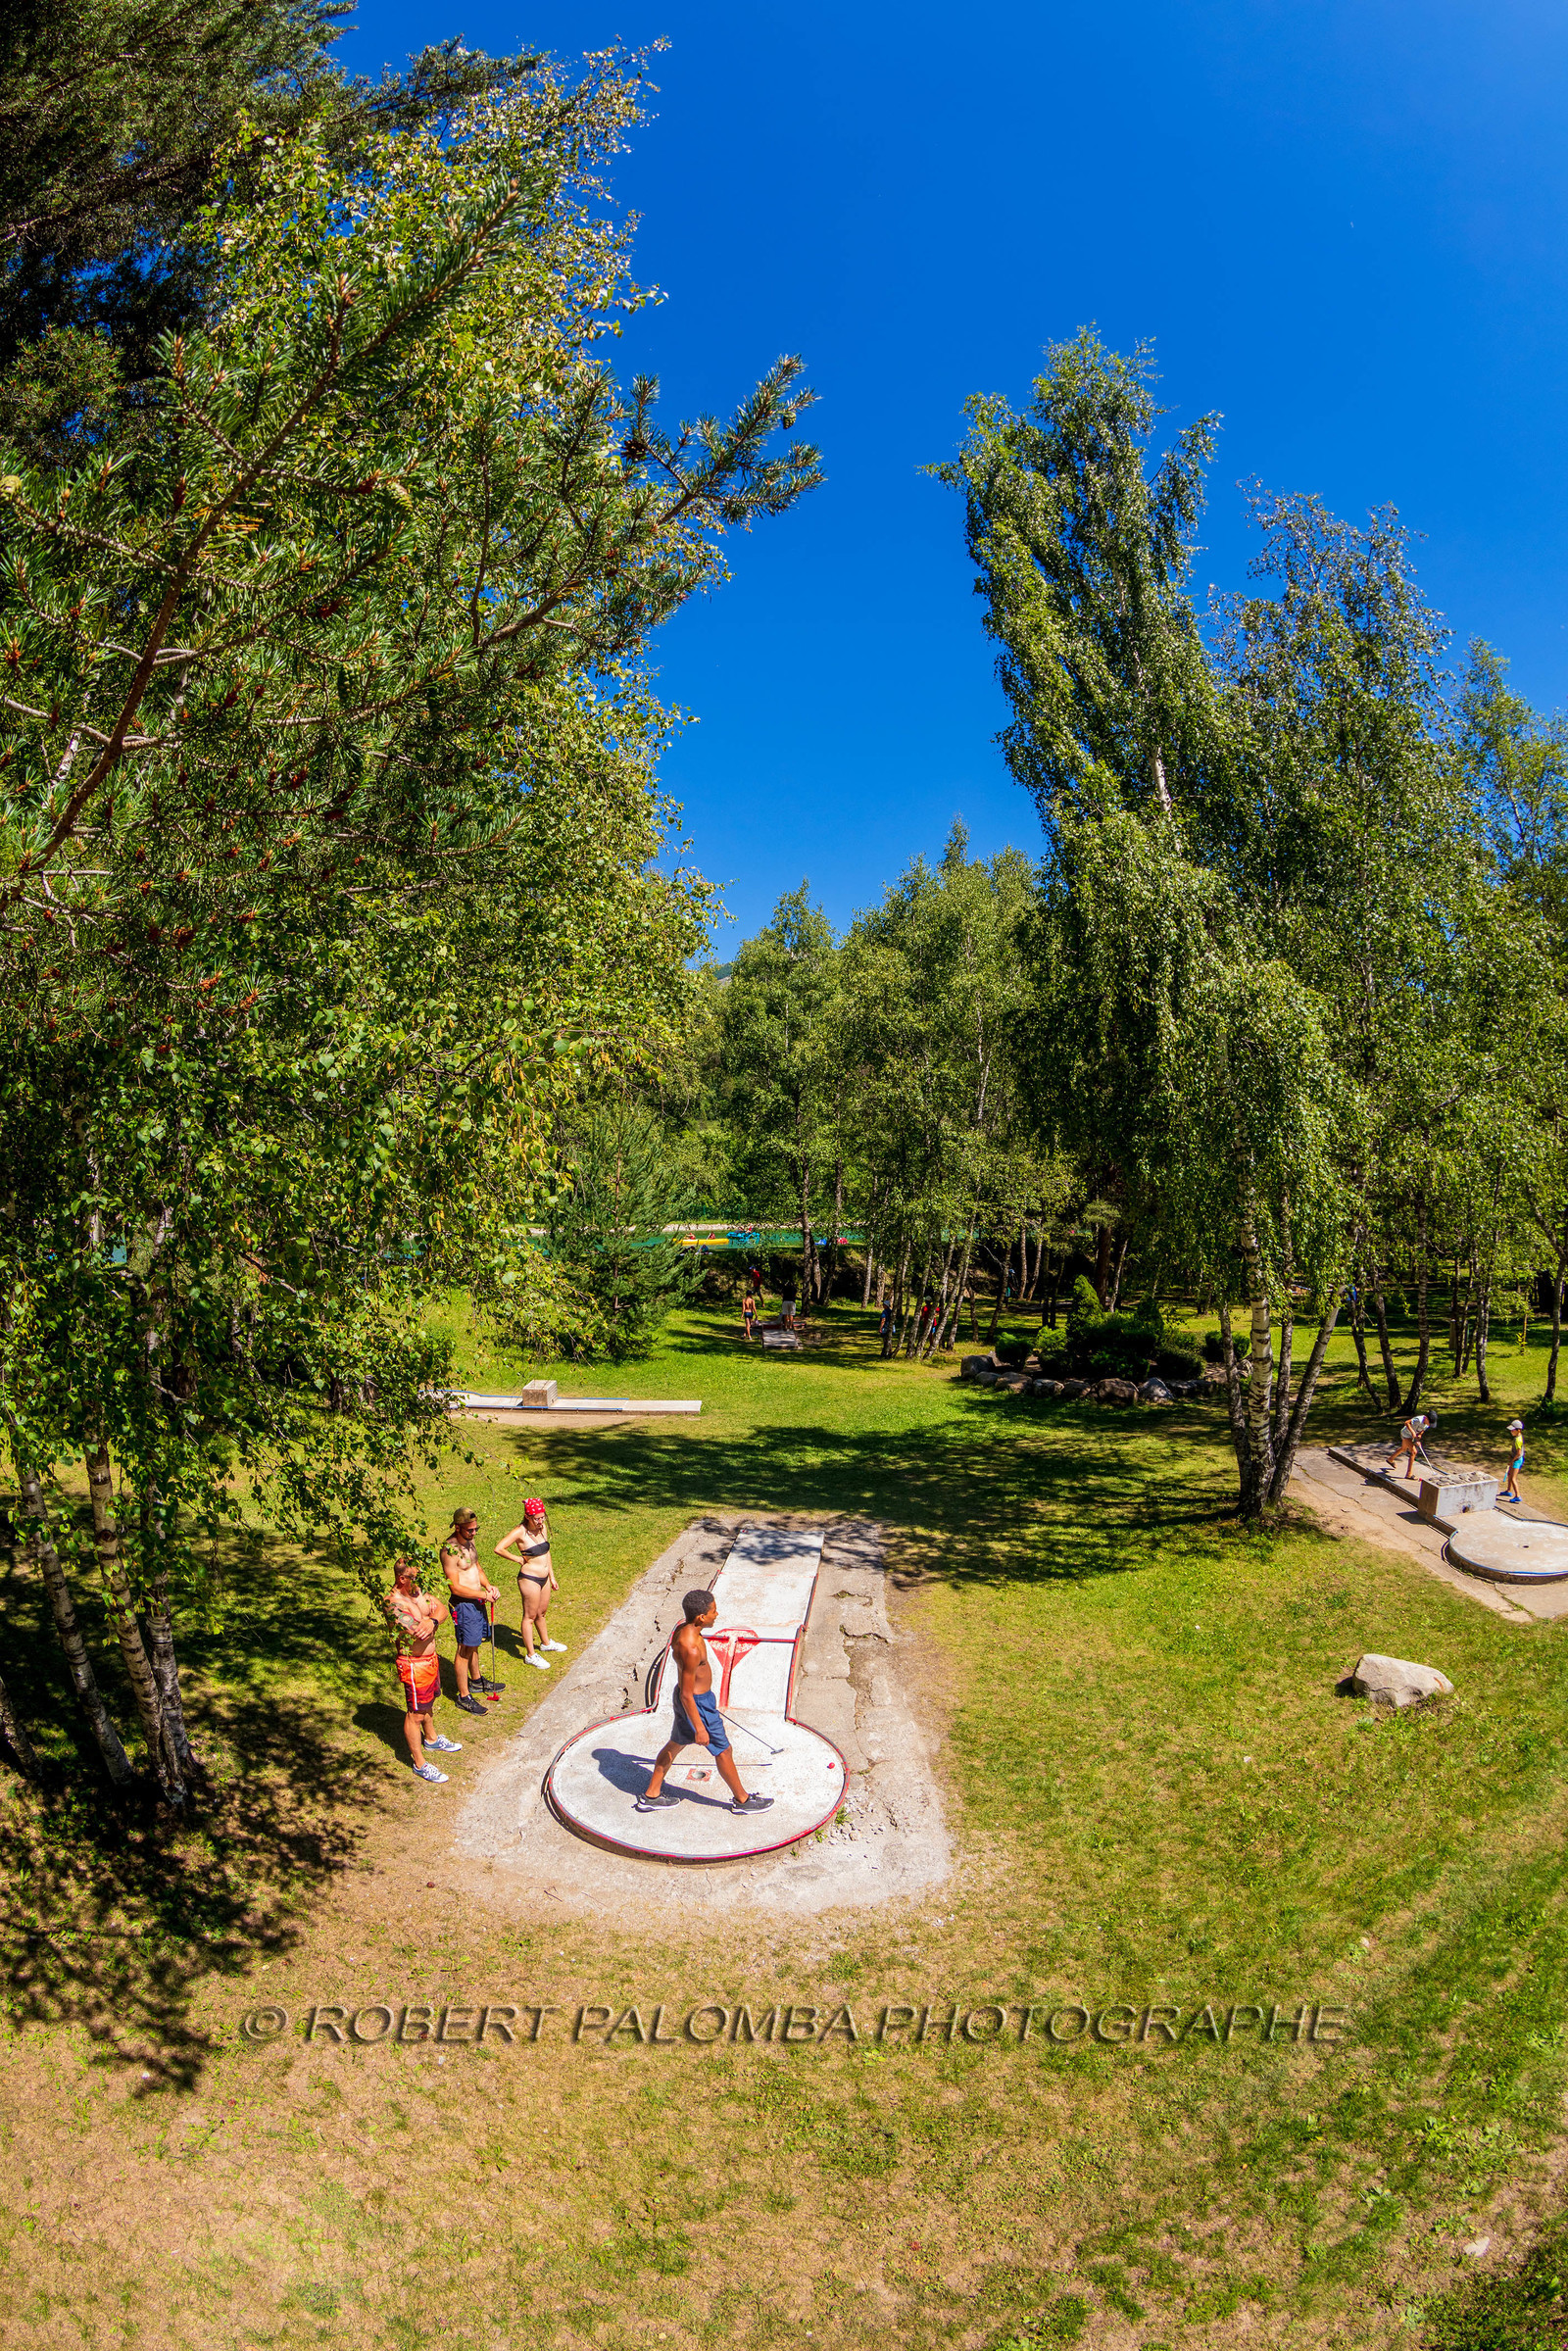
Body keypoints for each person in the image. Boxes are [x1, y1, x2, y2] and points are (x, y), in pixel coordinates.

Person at [635, 1590, 774, 1817]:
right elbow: (687, 1695)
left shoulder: (683, 1630)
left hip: (691, 1698)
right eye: (713, 1611)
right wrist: (700, 1728)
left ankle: (650, 1796)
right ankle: (742, 1801)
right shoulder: (690, 1647)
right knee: (724, 1750)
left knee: (675, 1745)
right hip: (697, 1703)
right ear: (701, 1617)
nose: (716, 1615)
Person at [384, 1557, 464, 1785]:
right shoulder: (392, 1603)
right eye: (414, 1577)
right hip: (413, 1664)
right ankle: (419, 1764)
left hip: (430, 1660)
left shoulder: (416, 1591)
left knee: (429, 1704)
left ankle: (431, 1739)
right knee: (416, 1713)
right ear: (402, 1579)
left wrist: (432, 1621)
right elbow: (417, 1631)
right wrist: (428, 1621)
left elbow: (442, 1609)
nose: (419, 1581)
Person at [441, 1508, 504, 1716]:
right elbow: (455, 1587)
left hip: (477, 1600)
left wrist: (488, 1586)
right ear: (457, 1528)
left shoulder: (470, 1542)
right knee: (464, 1649)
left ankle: (476, 1681)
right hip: (463, 1604)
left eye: (476, 1529)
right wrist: (481, 1595)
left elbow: (477, 1568)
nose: (474, 1533)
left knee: (474, 1643)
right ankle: (463, 1696)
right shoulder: (449, 1550)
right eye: (469, 1530)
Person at [495, 1496, 566, 1670]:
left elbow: (547, 1553)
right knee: (530, 1617)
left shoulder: (542, 1529)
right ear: (528, 1516)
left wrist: (552, 1576)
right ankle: (530, 1655)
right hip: (530, 1579)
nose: (541, 1521)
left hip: (544, 1579)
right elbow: (499, 1548)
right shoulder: (520, 1531)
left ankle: (545, 1643)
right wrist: (518, 1559)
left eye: (542, 1517)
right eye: (537, 1518)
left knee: (541, 1613)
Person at [1384, 1412, 1434, 1480]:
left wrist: (1419, 1435)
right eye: (1429, 1422)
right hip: (1406, 1434)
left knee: (1404, 1449)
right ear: (1426, 1418)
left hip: (1411, 1436)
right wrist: (1413, 1432)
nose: (1429, 1425)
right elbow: (1407, 1422)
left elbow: (1422, 1430)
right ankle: (1409, 1474)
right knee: (1414, 1452)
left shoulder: (1427, 1423)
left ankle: (1390, 1459)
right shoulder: (1418, 1419)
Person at [1503, 1419, 1525, 1504]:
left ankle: (1517, 1496)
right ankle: (1508, 1491)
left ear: (1518, 1430)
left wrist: (1512, 1461)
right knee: (1509, 1474)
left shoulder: (1517, 1440)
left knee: (1513, 1478)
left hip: (1517, 1460)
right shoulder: (1517, 1438)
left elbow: (1518, 1453)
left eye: (1513, 1430)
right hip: (1514, 1459)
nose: (1511, 1432)